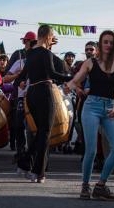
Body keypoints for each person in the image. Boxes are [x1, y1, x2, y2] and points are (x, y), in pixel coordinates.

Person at [65, 30, 114, 201]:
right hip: (91, 107)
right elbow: (76, 79)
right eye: (104, 42)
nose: (108, 45)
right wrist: (69, 85)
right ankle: (85, 186)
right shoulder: (90, 63)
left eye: (110, 42)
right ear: (100, 45)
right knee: (91, 151)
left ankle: (100, 185)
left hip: (110, 109)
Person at [15, 25, 72, 183]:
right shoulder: (46, 53)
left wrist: (19, 82)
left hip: (31, 94)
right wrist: (72, 79)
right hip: (44, 93)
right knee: (45, 133)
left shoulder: (30, 53)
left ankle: (25, 163)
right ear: (48, 36)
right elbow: (53, 74)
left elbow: (21, 76)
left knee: (40, 133)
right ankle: (37, 172)